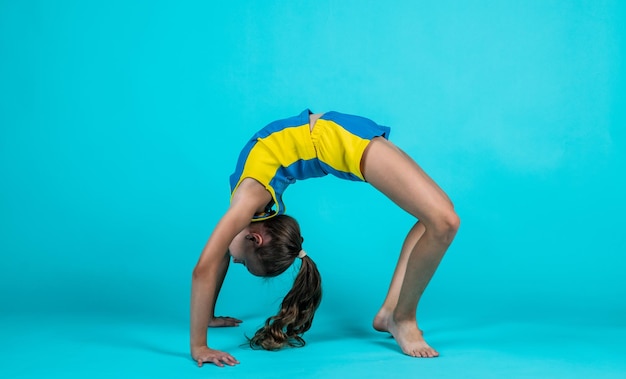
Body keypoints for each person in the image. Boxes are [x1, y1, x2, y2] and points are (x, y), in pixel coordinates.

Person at [190, 109, 460, 367]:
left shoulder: (245, 203)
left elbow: (205, 267)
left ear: (255, 240)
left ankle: (401, 317)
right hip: (335, 134)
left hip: (334, 138)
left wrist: (199, 346)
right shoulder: (250, 214)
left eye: (243, 263)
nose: (234, 261)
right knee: (440, 220)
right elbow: (219, 258)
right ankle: (391, 314)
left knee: (442, 222)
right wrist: (208, 316)